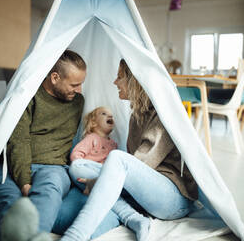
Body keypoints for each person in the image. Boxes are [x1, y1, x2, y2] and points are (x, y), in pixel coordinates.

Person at [59, 59, 199, 241]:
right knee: (77, 167)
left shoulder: (163, 113)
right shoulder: (137, 115)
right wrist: (103, 181)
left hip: (173, 199)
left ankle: (75, 236)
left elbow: (142, 163)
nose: (115, 82)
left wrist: (99, 182)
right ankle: (134, 219)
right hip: (145, 197)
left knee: (117, 159)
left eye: (120, 77)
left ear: (135, 81)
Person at [0, 50, 121, 241]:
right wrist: (25, 184)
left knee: (48, 193)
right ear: (55, 77)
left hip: (53, 168)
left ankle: (34, 236)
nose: (79, 90)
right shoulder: (27, 97)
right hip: (10, 165)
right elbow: (19, 141)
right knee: (8, 202)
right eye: (74, 84)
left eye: (81, 84)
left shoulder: (77, 102)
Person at [69, 106, 150, 241]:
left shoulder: (114, 144)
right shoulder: (92, 138)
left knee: (113, 181)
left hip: (110, 174)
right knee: (75, 167)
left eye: (111, 115)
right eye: (104, 114)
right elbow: (76, 156)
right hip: (91, 172)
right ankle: (134, 218)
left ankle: (135, 218)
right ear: (94, 123)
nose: (110, 116)